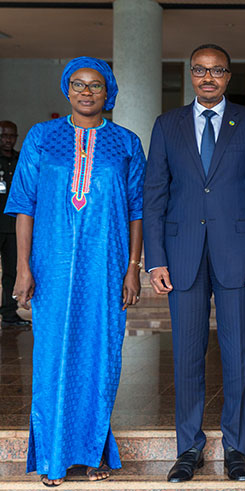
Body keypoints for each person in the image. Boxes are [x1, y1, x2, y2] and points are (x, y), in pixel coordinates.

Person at [5, 56, 144, 487]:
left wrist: (133, 268)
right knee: (52, 357)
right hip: (52, 265)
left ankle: (91, 452)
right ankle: (53, 456)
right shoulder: (42, 136)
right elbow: (24, 205)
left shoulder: (126, 142)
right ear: (67, 89)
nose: (86, 91)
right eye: (78, 84)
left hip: (106, 266)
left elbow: (137, 210)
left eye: (95, 85)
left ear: (108, 92)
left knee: (101, 355)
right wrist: (23, 267)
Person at [144, 44, 245, 483]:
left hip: (238, 255)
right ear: (190, 75)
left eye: (217, 70)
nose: (207, 78)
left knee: (238, 356)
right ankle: (188, 448)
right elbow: (155, 193)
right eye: (200, 70)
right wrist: (154, 259)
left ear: (228, 76)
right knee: (186, 357)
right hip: (181, 254)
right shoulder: (167, 125)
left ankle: (237, 448)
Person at [0, 120, 30, 329]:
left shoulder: (21, 160)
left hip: (13, 227)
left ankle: (9, 313)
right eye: (3, 135)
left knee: (11, 271)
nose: (7, 140)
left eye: (11, 136)